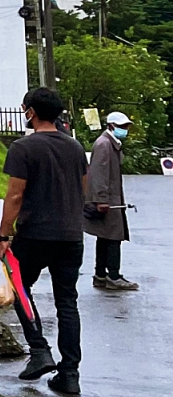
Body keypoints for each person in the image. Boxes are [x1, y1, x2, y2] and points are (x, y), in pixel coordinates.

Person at [0, 86, 88, 395]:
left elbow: (15, 195)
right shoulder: (75, 147)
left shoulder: (23, 148)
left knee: (19, 288)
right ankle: (70, 374)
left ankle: (39, 351)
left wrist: (4, 235)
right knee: (67, 302)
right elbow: (83, 188)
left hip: (35, 234)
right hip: (71, 236)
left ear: (30, 112)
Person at [85, 110, 136, 290]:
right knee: (114, 236)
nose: (125, 130)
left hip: (111, 198)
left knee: (105, 236)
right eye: (122, 127)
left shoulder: (110, 143)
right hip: (108, 199)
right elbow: (98, 173)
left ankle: (101, 274)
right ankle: (113, 275)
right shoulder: (104, 144)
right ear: (111, 126)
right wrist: (101, 199)